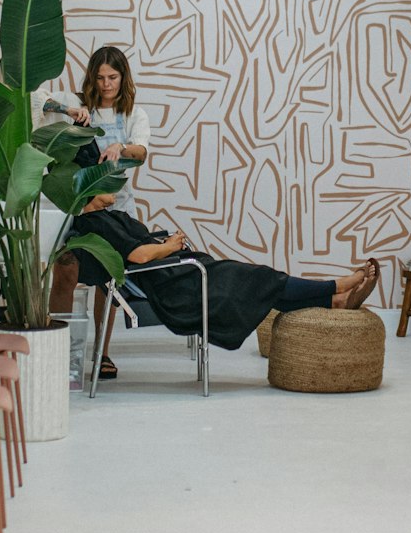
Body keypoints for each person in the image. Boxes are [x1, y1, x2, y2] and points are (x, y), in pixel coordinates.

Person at [63, 196, 380, 363]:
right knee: (260, 278)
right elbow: (138, 257)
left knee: (259, 284)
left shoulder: (111, 216)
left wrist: (168, 246)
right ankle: (335, 287)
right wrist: (170, 247)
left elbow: (141, 249)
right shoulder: (96, 222)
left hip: (183, 273)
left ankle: (333, 299)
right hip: (176, 288)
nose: (117, 181)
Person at [33, 45, 149, 218]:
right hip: (84, 202)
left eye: (112, 77)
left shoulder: (133, 114)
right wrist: (68, 110)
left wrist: (121, 146)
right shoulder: (77, 103)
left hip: (118, 201)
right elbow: (35, 99)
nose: (106, 84)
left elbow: (141, 153)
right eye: (100, 78)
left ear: (123, 78)